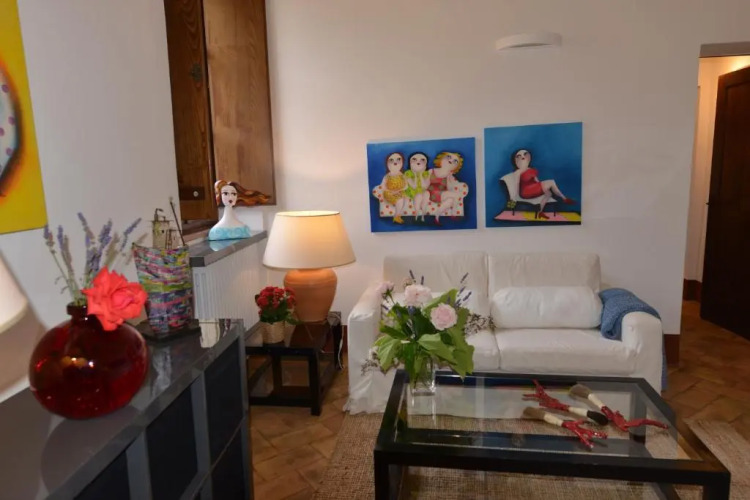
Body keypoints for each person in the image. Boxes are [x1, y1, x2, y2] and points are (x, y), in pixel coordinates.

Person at [511, 148, 575, 219]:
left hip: (533, 188)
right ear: (516, 161)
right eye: (519, 157)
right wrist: (515, 196)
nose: (523, 158)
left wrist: (543, 187)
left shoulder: (532, 170)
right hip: (525, 191)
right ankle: (564, 198)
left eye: (525, 156)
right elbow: (516, 184)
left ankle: (540, 212)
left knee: (549, 193)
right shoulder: (517, 172)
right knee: (551, 182)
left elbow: (537, 181)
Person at [428, 152, 464, 225]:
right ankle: (453, 214)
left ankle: (437, 217)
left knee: (451, 200)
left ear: (456, 167)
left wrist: (449, 177)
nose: (451, 161)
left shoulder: (449, 175)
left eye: (455, 161)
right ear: (441, 159)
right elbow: (425, 183)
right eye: (448, 157)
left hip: (442, 194)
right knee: (457, 195)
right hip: (431, 193)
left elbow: (450, 188)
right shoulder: (431, 171)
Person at [379, 152, 407, 224]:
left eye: (398, 160)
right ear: (387, 164)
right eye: (391, 160)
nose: (395, 162)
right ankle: (396, 217)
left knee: (402, 199)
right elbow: (383, 186)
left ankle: (397, 216)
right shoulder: (387, 176)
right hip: (389, 193)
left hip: (400, 192)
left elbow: (406, 186)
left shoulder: (402, 175)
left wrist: (398, 190)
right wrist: (390, 191)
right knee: (400, 200)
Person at [404, 152, 431, 221]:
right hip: (412, 192)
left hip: (422, 191)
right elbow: (414, 186)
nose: (418, 162)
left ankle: (423, 215)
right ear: (410, 163)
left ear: (425, 164)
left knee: (427, 193)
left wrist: (421, 174)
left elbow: (425, 186)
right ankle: (416, 213)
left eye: (422, 160)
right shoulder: (408, 173)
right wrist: (415, 174)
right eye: (414, 159)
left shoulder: (426, 173)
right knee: (419, 195)